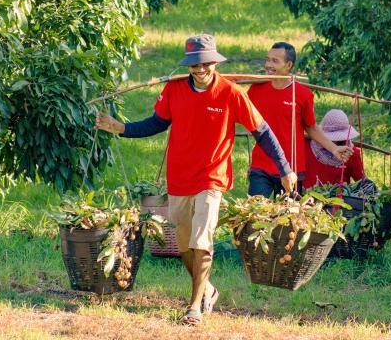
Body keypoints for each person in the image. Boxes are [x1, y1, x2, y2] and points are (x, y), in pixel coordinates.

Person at [95, 34, 296, 327]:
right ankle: (208, 289)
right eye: (194, 65)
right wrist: (120, 128)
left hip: (211, 179)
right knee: (184, 246)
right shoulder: (174, 89)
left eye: (205, 64)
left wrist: (284, 168)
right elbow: (156, 122)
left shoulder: (231, 93)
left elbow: (262, 131)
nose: (200, 70)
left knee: (202, 240)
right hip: (179, 179)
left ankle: (194, 307)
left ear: (215, 62)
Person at [245, 42, 351, 197]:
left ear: (288, 65)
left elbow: (312, 127)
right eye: (267, 60)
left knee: (288, 218)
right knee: (254, 217)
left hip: (291, 168)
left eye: (275, 61)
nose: (268, 65)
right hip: (261, 165)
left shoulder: (302, 94)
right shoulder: (256, 89)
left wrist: (334, 149)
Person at [304, 109, 367, 189]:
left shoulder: (351, 153)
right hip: (306, 198)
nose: (337, 141)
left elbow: (361, 181)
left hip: (339, 199)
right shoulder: (305, 144)